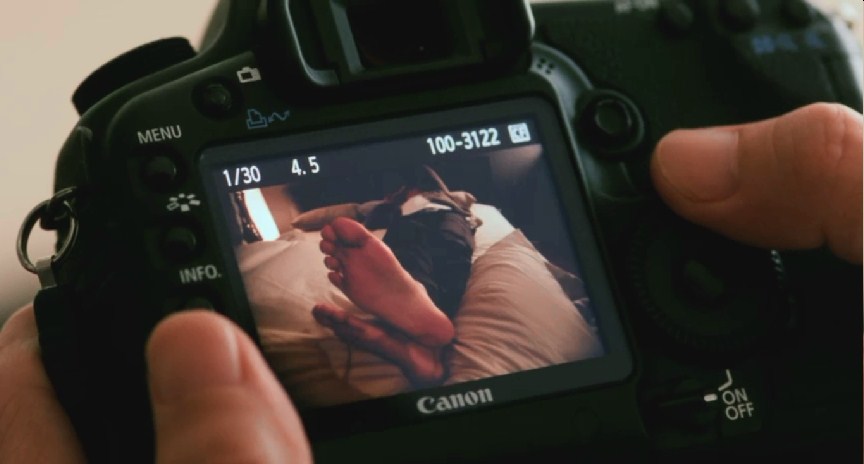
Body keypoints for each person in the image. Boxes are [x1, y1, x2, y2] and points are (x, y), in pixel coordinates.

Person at [0, 103, 859, 462]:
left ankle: (415, 313)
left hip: (430, 223)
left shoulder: (413, 206)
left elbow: (334, 219)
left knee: (450, 227)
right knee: (468, 233)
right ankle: (420, 312)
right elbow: (336, 217)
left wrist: (338, 224)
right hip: (437, 227)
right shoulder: (402, 209)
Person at [311, 165, 482, 385]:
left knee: (445, 251)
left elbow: (462, 201)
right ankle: (423, 332)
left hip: (447, 215)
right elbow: (356, 212)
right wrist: (388, 202)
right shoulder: (386, 205)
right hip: (412, 219)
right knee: (418, 250)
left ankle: (417, 343)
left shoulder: (449, 198)